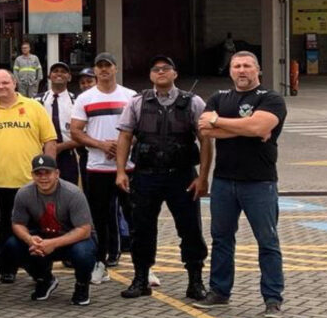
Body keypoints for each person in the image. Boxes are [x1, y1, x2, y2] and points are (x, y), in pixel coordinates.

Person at [193, 51, 287, 318]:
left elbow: (258, 128)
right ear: (230, 70)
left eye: (247, 66)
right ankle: (219, 291)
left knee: (267, 241)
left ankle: (272, 298)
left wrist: (220, 122)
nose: (242, 70)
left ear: (258, 70)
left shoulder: (271, 98)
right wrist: (246, 127)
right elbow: (205, 130)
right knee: (221, 239)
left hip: (259, 182)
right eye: (237, 66)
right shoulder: (219, 98)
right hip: (224, 181)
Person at [115, 55, 210, 300]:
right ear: (150, 75)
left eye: (166, 68)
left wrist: (203, 177)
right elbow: (125, 137)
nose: (161, 72)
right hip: (146, 176)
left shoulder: (193, 102)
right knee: (142, 230)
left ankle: (196, 281)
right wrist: (121, 171)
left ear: (175, 73)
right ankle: (140, 279)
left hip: (182, 176)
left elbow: (206, 140)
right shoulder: (137, 102)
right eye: (156, 69)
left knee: (190, 229)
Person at [0, 69, 56, 284]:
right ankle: (6, 269)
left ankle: (40, 271)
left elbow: (49, 141)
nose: (1, 87)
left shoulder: (34, 107)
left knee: (33, 229)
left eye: (5, 82)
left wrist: (49, 172)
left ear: (14, 83)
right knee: (1, 229)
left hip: (29, 184)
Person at [70, 52, 136, 283]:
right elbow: (76, 131)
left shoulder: (130, 96)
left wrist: (122, 146)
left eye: (108, 66)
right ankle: (100, 263)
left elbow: (140, 129)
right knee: (99, 219)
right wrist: (101, 144)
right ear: (95, 70)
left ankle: (143, 266)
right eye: (100, 66)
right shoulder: (85, 98)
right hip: (97, 168)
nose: (104, 70)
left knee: (135, 216)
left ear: (115, 68)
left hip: (127, 167)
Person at [6, 155, 96, 306]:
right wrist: (30, 239)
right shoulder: (24, 193)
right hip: (41, 240)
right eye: (38, 173)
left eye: (47, 173)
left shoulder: (73, 193)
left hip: (71, 241)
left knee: (83, 252)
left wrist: (53, 243)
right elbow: (17, 224)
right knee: (12, 245)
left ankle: (82, 285)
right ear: (32, 175)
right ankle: (44, 279)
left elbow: (84, 230)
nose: (43, 178)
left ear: (57, 173)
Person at [35, 62, 80, 184]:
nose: (59, 74)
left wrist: (60, 147)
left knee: (69, 189)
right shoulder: (36, 101)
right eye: (55, 71)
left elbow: (83, 134)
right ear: (49, 76)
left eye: (63, 71)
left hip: (67, 154)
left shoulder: (77, 101)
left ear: (69, 77)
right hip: (41, 153)